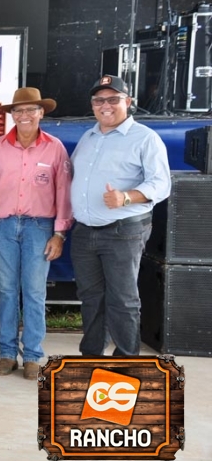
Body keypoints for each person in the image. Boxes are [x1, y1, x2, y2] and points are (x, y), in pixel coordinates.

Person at [0, 88, 73, 380]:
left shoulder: (54, 148)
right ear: (12, 115)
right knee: (6, 291)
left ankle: (32, 355)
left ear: (42, 113)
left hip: (40, 227)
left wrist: (60, 234)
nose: (25, 115)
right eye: (19, 111)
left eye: (31, 110)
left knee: (33, 292)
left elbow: (63, 193)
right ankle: (7, 353)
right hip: (3, 226)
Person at [70, 75, 171, 357]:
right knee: (90, 298)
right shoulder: (88, 136)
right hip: (84, 231)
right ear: (93, 105)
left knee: (123, 300)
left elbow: (161, 185)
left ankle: (126, 361)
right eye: (99, 100)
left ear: (128, 102)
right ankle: (91, 356)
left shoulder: (145, 138)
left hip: (123, 231)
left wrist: (126, 196)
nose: (106, 105)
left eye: (113, 99)